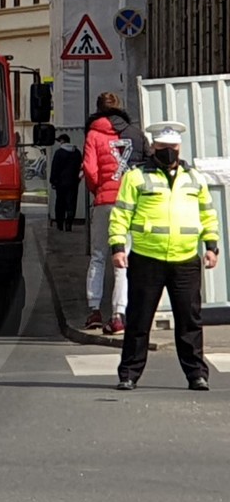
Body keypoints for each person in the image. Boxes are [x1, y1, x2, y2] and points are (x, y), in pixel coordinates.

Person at [109, 121, 220, 391]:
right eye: (162, 148)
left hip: (185, 260)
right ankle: (129, 375)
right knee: (138, 319)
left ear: (179, 148)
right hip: (148, 258)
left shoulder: (193, 178)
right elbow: (121, 214)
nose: (168, 152)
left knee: (189, 320)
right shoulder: (136, 177)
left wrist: (211, 246)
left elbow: (208, 214)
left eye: (172, 148)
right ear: (154, 148)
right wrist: (118, 247)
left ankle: (196, 375)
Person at [81, 91, 152, 334]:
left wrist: (97, 190)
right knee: (122, 258)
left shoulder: (93, 134)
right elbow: (149, 165)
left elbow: (90, 170)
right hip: (130, 203)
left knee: (98, 255)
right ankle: (119, 315)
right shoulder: (135, 133)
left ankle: (94, 312)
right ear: (119, 107)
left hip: (104, 201)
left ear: (98, 109)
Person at [49, 134, 82, 231]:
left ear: (62, 141)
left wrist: (53, 181)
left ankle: (60, 224)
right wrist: (78, 179)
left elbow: (54, 168)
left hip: (60, 183)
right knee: (71, 203)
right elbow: (80, 167)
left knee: (60, 203)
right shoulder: (77, 152)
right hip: (73, 183)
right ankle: (69, 224)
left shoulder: (59, 153)